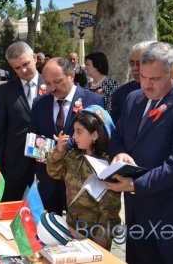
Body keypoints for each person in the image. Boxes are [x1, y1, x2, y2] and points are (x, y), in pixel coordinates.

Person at [108, 42, 173, 264]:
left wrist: (136, 184)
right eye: (143, 76)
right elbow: (117, 136)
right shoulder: (134, 99)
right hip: (138, 212)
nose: (146, 84)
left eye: (153, 78)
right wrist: (120, 154)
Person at [29, 57, 104, 215]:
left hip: (80, 185)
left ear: (72, 75)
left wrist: (69, 144)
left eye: (57, 81)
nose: (52, 88)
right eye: (48, 83)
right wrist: (54, 150)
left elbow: (100, 143)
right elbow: (33, 142)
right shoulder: (39, 103)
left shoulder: (93, 101)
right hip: (48, 183)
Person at [46, 105, 120, 249]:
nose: (74, 136)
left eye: (79, 132)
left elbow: (110, 211)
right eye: (74, 131)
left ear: (95, 135)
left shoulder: (107, 165)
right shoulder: (74, 156)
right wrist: (59, 151)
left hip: (94, 235)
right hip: (71, 228)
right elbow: (54, 173)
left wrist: (101, 242)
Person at [0, 41, 44, 202]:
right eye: (17, 68)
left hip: (45, 162)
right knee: (6, 209)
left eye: (25, 64)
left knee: (45, 213)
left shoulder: (51, 85)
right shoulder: (5, 91)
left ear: (34, 58)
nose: (23, 70)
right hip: (14, 163)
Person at [111, 41, 154, 123]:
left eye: (139, 63)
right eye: (132, 63)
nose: (134, 68)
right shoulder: (121, 94)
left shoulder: (169, 90)